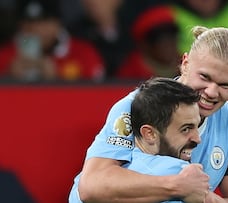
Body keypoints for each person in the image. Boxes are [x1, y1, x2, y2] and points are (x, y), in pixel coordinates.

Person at [75, 25, 228, 203]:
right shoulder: (137, 105)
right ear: (185, 64)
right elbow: (90, 187)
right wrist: (179, 185)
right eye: (205, 77)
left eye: (225, 85)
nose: (212, 92)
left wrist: (203, 198)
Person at [69, 77, 202, 203]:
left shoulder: (84, 181)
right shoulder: (178, 172)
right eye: (185, 129)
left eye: (197, 126)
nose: (198, 139)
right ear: (149, 133)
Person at [0, 0, 105, 82]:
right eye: (29, 23)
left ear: (58, 23)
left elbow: (98, 93)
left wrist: (58, 76)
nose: (37, 29)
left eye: (44, 22)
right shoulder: (6, 54)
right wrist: (8, 77)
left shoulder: (83, 52)